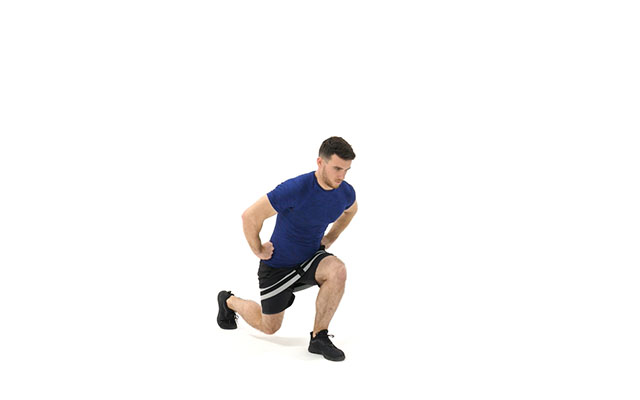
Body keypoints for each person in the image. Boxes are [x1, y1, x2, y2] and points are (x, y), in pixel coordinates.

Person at [217, 137, 358, 361]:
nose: (341, 176)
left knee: (337, 270)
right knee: (269, 327)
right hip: (277, 267)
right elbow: (250, 216)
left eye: (346, 170)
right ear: (320, 162)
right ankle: (228, 301)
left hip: (310, 259)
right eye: (337, 168)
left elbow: (351, 210)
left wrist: (331, 237)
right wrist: (258, 249)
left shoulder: (345, 193)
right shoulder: (295, 188)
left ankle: (319, 337)